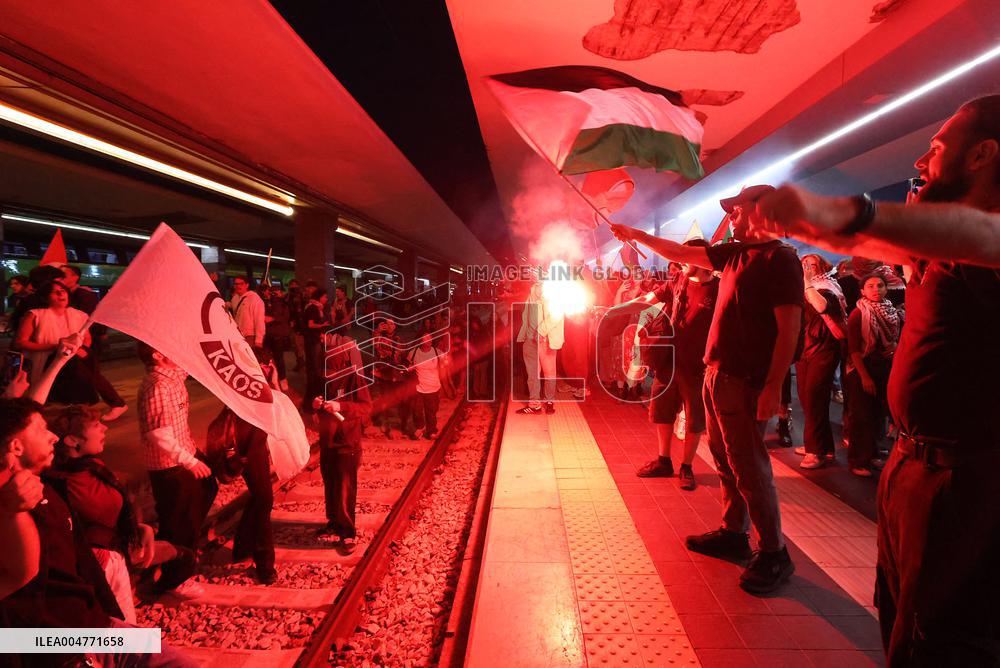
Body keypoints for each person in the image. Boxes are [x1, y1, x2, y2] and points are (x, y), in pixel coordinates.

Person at [744, 96, 1000, 665]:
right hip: (913, 469)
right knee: (900, 618)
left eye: (937, 147)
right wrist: (818, 220)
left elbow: (971, 233)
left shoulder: (984, 240)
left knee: (945, 639)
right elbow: (878, 241)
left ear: (983, 154)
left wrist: (844, 212)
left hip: (964, 484)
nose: (921, 158)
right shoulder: (939, 249)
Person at [610, 187, 803, 594]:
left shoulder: (780, 258)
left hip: (746, 381)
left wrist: (772, 387)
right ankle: (734, 533)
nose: (731, 214)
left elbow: (789, 330)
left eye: (737, 207)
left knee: (750, 466)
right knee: (724, 460)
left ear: (761, 210)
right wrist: (636, 234)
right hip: (716, 375)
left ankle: (774, 553)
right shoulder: (732, 253)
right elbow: (680, 254)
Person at [0, 398, 195, 667]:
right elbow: (23, 576)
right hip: (60, 644)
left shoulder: (44, 487)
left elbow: (79, 556)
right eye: (42, 429)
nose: (53, 436)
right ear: (16, 446)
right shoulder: (13, 502)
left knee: (178, 662)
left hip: (98, 625)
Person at [613, 240, 718, 491]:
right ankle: (664, 460)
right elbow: (649, 298)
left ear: (702, 259)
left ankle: (687, 466)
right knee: (662, 411)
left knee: (694, 417)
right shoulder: (677, 281)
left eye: (686, 256)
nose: (680, 261)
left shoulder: (719, 289)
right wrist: (616, 310)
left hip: (697, 365)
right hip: (668, 360)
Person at [45, 405, 157, 622]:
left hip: (115, 558)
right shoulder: (60, 483)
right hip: (91, 570)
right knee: (105, 637)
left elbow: (109, 514)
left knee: (126, 633)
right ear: (71, 441)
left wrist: (140, 529)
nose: (105, 428)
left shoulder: (92, 467)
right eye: (96, 425)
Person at [136, 342, 217, 598]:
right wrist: (189, 460)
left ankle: (182, 549)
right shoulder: (158, 386)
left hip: (185, 453)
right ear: (157, 355)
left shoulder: (173, 379)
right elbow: (157, 434)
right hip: (170, 465)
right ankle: (174, 579)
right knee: (179, 520)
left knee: (206, 491)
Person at [314, 329, 371, 552]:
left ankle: (348, 533)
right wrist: (316, 404)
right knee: (330, 483)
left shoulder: (354, 376)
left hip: (348, 440)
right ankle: (334, 523)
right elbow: (315, 399)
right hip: (327, 439)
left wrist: (341, 406)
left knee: (346, 487)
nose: (328, 373)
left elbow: (366, 408)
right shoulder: (323, 375)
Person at [845, 274, 901, 477]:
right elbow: (854, 351)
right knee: (861, 416)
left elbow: (895, 339)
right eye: (870, 286)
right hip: (862, 368)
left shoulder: (891, 311)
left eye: (880, 285)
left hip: (884, 367)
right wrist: (865, 376)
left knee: (877, 414)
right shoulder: (858, 314)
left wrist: (894, 348)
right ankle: (857, 460)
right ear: (862, 291)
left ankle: (872, 454)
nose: (876, 289)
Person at [795, 254, 847, 469]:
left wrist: (806, 283)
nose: (807, 267)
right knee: (807, 398)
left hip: (824, 348)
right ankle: (823, 446)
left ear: (822, 267)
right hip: (805, 348)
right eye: (803, 264)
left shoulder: (829, 287)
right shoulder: (801, 287)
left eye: (812, 264)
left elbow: (821, 307)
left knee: (815, 397)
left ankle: (814, 451)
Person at [516, 281, 565, 414]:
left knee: (549, 372)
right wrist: (525, 335)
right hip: (530, 340)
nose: (540, 287)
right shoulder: (530, 297)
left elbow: (556, 316)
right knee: (532, 374)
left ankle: (549, 401)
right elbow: (526, 318)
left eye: (542, 284)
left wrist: (541, 331)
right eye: (537, 284)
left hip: (545, 339)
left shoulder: (553, 296)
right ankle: (534, 405)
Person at [407, 334, 448, 440]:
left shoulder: (437, 352)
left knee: (431, 411)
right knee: (417, 410)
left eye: (430, 338)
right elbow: (408, 366)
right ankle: (420, 427)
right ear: (421, 341)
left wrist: (444, 385)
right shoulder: (413, 353)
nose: (429, 340)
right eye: (425, 338)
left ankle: (431, 431)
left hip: (433, 387)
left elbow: (445, 365)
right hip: (418, 387)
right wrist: (409, 369)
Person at [302, 286, 331, 409]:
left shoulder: (316, 307)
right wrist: (323, 325)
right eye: (325, 296)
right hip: (313, 341)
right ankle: (314, 391)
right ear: (319, 297)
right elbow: (310, 324)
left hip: (314, 340)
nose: (326, 299)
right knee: (315, 366)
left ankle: (313, 389)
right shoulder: (313, 308)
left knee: (315, 366)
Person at [264, 283, 292, 390]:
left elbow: (286, 317)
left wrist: (273, 318)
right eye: (273, 292)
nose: (275, 294)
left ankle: (282, 379)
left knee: (279, 359)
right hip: (267, 335)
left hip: (278, 335)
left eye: (277, 292)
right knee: (267, 359)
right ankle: (269, 379)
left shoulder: (284, 304)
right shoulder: (266, 303)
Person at [228, 276, 266, 349]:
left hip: (251, 336)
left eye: (241, 284)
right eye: (236, 284)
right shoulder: (234, 298)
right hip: (238, 335)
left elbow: (259, 320)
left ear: (247, 285)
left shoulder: (254, 299)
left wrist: (259, 340)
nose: (238, 286)